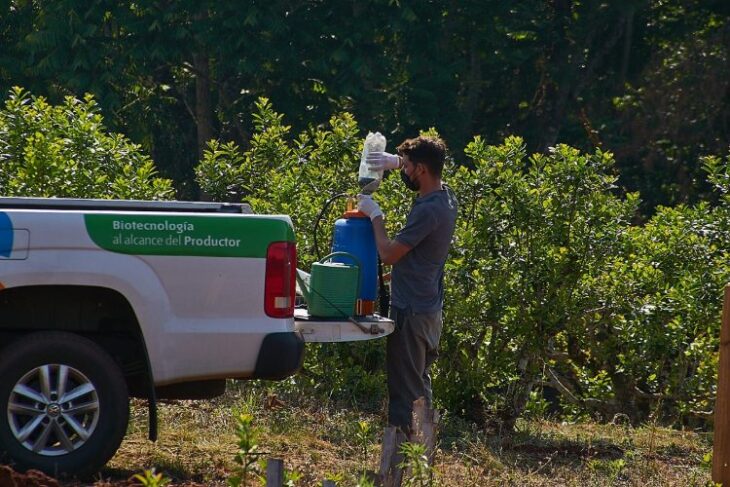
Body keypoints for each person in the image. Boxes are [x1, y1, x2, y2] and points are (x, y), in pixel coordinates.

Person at [357, 135, 458, 431]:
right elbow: (414, 258)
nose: (403, 173)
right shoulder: (446, 197)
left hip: (411, 312)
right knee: (418, 381)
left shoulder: (429, 211)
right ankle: (421, 450)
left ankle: (404, 458)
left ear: (422, 170)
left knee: (406, 391)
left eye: (407, 167)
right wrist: (397, 160)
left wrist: (375, 215)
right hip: (428, 308)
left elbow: (388, 254)